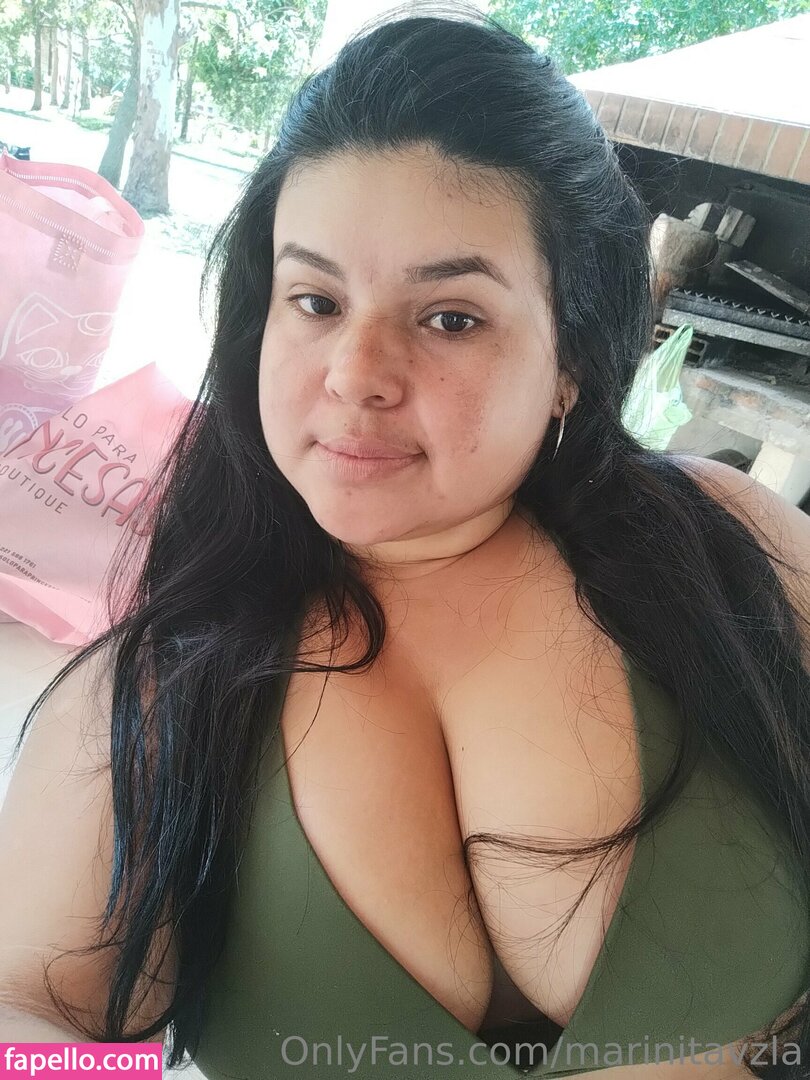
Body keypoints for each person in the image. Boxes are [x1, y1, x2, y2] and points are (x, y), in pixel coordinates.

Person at [1, 4, 809, 1078]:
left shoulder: (726, 546)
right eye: (315, 300)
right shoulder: (153, 693)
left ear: (570, 360)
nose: (356, 374)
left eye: (450, 318)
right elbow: (25, 1024)